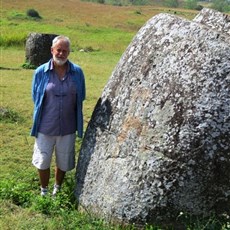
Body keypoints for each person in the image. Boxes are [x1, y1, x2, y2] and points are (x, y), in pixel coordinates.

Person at [31, 35, 85, 196]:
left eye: (65, 51)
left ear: (69, 52)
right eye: (58, 50)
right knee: (43, 161)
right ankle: (44, 190)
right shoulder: (40, 72)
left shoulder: (77, 72)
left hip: (68, 127)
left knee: (63, 160)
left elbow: (80, 96)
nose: (61, 53)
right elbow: (36, 97)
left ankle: (57, 189)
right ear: (52, 50)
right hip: (45, 126)